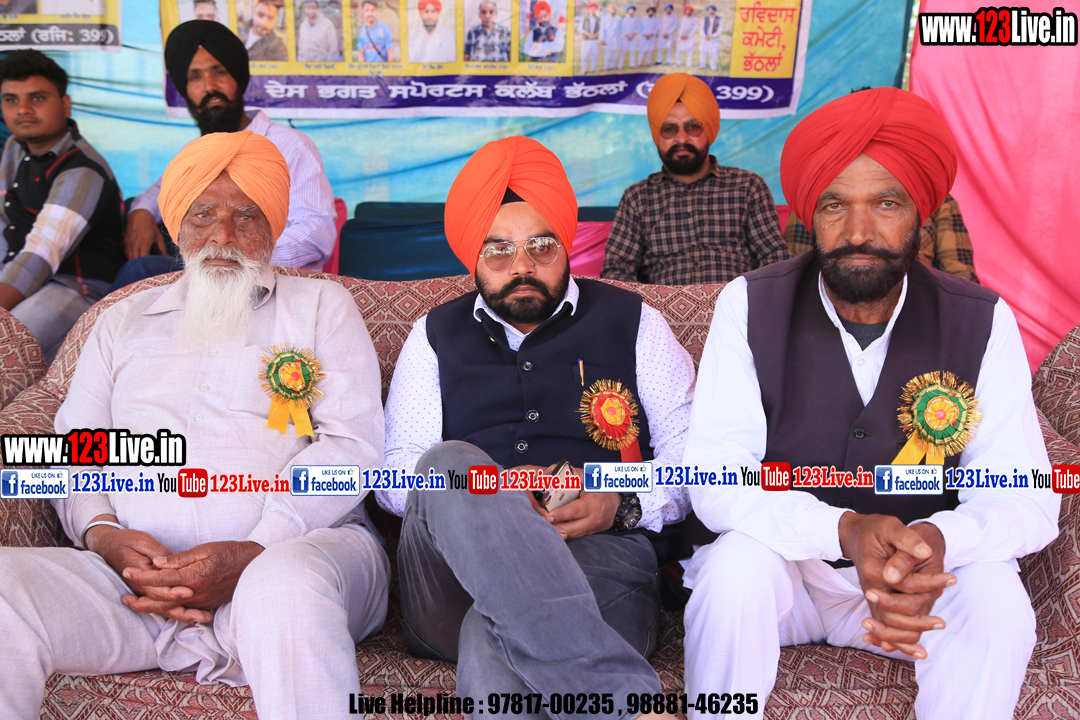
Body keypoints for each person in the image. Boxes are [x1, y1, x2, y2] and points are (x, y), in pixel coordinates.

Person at [681, 87, 1059, 720]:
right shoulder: (749, 303)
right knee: (734, 572)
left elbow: (1025, 495)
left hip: (917, 587)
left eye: (886, 203)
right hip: (792, 576)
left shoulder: (982, 320)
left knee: (994, 600)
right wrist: (843, 530)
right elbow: (714, 481)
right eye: (835, 205)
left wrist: (937, 541)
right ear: (811, 214)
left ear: (921, 214)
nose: (858, 232)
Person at [0, 131, 391, 720]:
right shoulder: (121, 320)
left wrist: (257, 547)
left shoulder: (321, 307)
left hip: (298, 556)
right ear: (177, 225)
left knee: (283, 585)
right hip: (134, 588)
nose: (223, 235)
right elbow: (71, 449)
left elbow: (351, 447)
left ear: (274, 228)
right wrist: (103, 534)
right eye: (203, 214)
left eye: (246, 216)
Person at [380, 135, 694, 716]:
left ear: (567, 245)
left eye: (540, 246)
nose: (521, 266)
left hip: (597, 565)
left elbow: (694, 463)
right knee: (447, 464)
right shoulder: (433, 336)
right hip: (450, 581)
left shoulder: (636, 323)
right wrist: (497, 501)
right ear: (473, 256)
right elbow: (396, 477)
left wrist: (620, 504)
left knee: (494, 636)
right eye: (498, 250)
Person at [119, 20, 336, 287]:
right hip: (203, 277)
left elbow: (316, 234)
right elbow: (162, 190)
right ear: (185, 90)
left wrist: (233, 256)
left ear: (237, 77)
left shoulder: (290, 145)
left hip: (271, 283)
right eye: (195, 77)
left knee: (140, 271)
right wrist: (141, 211)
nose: (210, 86)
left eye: (219, 72)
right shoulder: (198, 153)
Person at [602, 73, 788, 285]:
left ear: (708, 130)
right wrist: (650, 304)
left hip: (736, 304)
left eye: (693, 127)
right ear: (657, 135)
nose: (682, 139)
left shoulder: (747, 186)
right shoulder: (638, 197)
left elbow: (776, 260)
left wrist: (749, 301)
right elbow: (615, 272)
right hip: (662, 306)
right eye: (669, 129)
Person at [0, 49, 125, 362]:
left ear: (65, 104)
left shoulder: (83, 169)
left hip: (76, 289)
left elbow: (42, 253)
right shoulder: (15, 147)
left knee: (5, 351)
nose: (23, 109)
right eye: (11, 100)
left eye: (37, 98)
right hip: (22, 281)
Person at [785, 193, 979, 283]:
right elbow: (799, 273)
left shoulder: (938, 201)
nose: (858, 237)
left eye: (888, 205)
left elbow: (961, 276)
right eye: (835, 207)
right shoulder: (813, 199)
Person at [578, 2, 601, 73]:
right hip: (586, 40)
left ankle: (593, 68)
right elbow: (580, 28)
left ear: (596, 10)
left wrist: (595, 35)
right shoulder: (584, 18)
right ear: (588, 9)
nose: (592, 10)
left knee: (594, 54)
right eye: (591, 9)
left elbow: (601, 29)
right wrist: (588, 34)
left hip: (594, 39)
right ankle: (584, 70)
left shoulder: (598, 19)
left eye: (594, 9)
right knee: (584, 55)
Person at [599, 2, 622, 71]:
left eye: (614, 9)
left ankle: (613, 66)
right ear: (608, 10)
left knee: (615, 54)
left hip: (617, 39)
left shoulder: (619, 18)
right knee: (607, 55)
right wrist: (602, 39)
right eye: (611, 9)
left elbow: (621, 29)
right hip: (607, 39)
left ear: (616, 10)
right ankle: (606, 67)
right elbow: (602, 29)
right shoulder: (604, 18)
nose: (613, 10)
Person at [697, 4, 720, 70]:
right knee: (702, 51)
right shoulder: (704, 19)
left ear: (714, 11)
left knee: (714, 52)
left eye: (712, 10)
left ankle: (713, 67)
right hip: (705, 38)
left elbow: (720, 30)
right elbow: (701, 28)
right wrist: (705, 36)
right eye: (709, 10)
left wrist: (712, 36)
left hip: (713, 38)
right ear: (707, 11)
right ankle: (702, 65)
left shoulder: (719, 19)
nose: (710, 11)